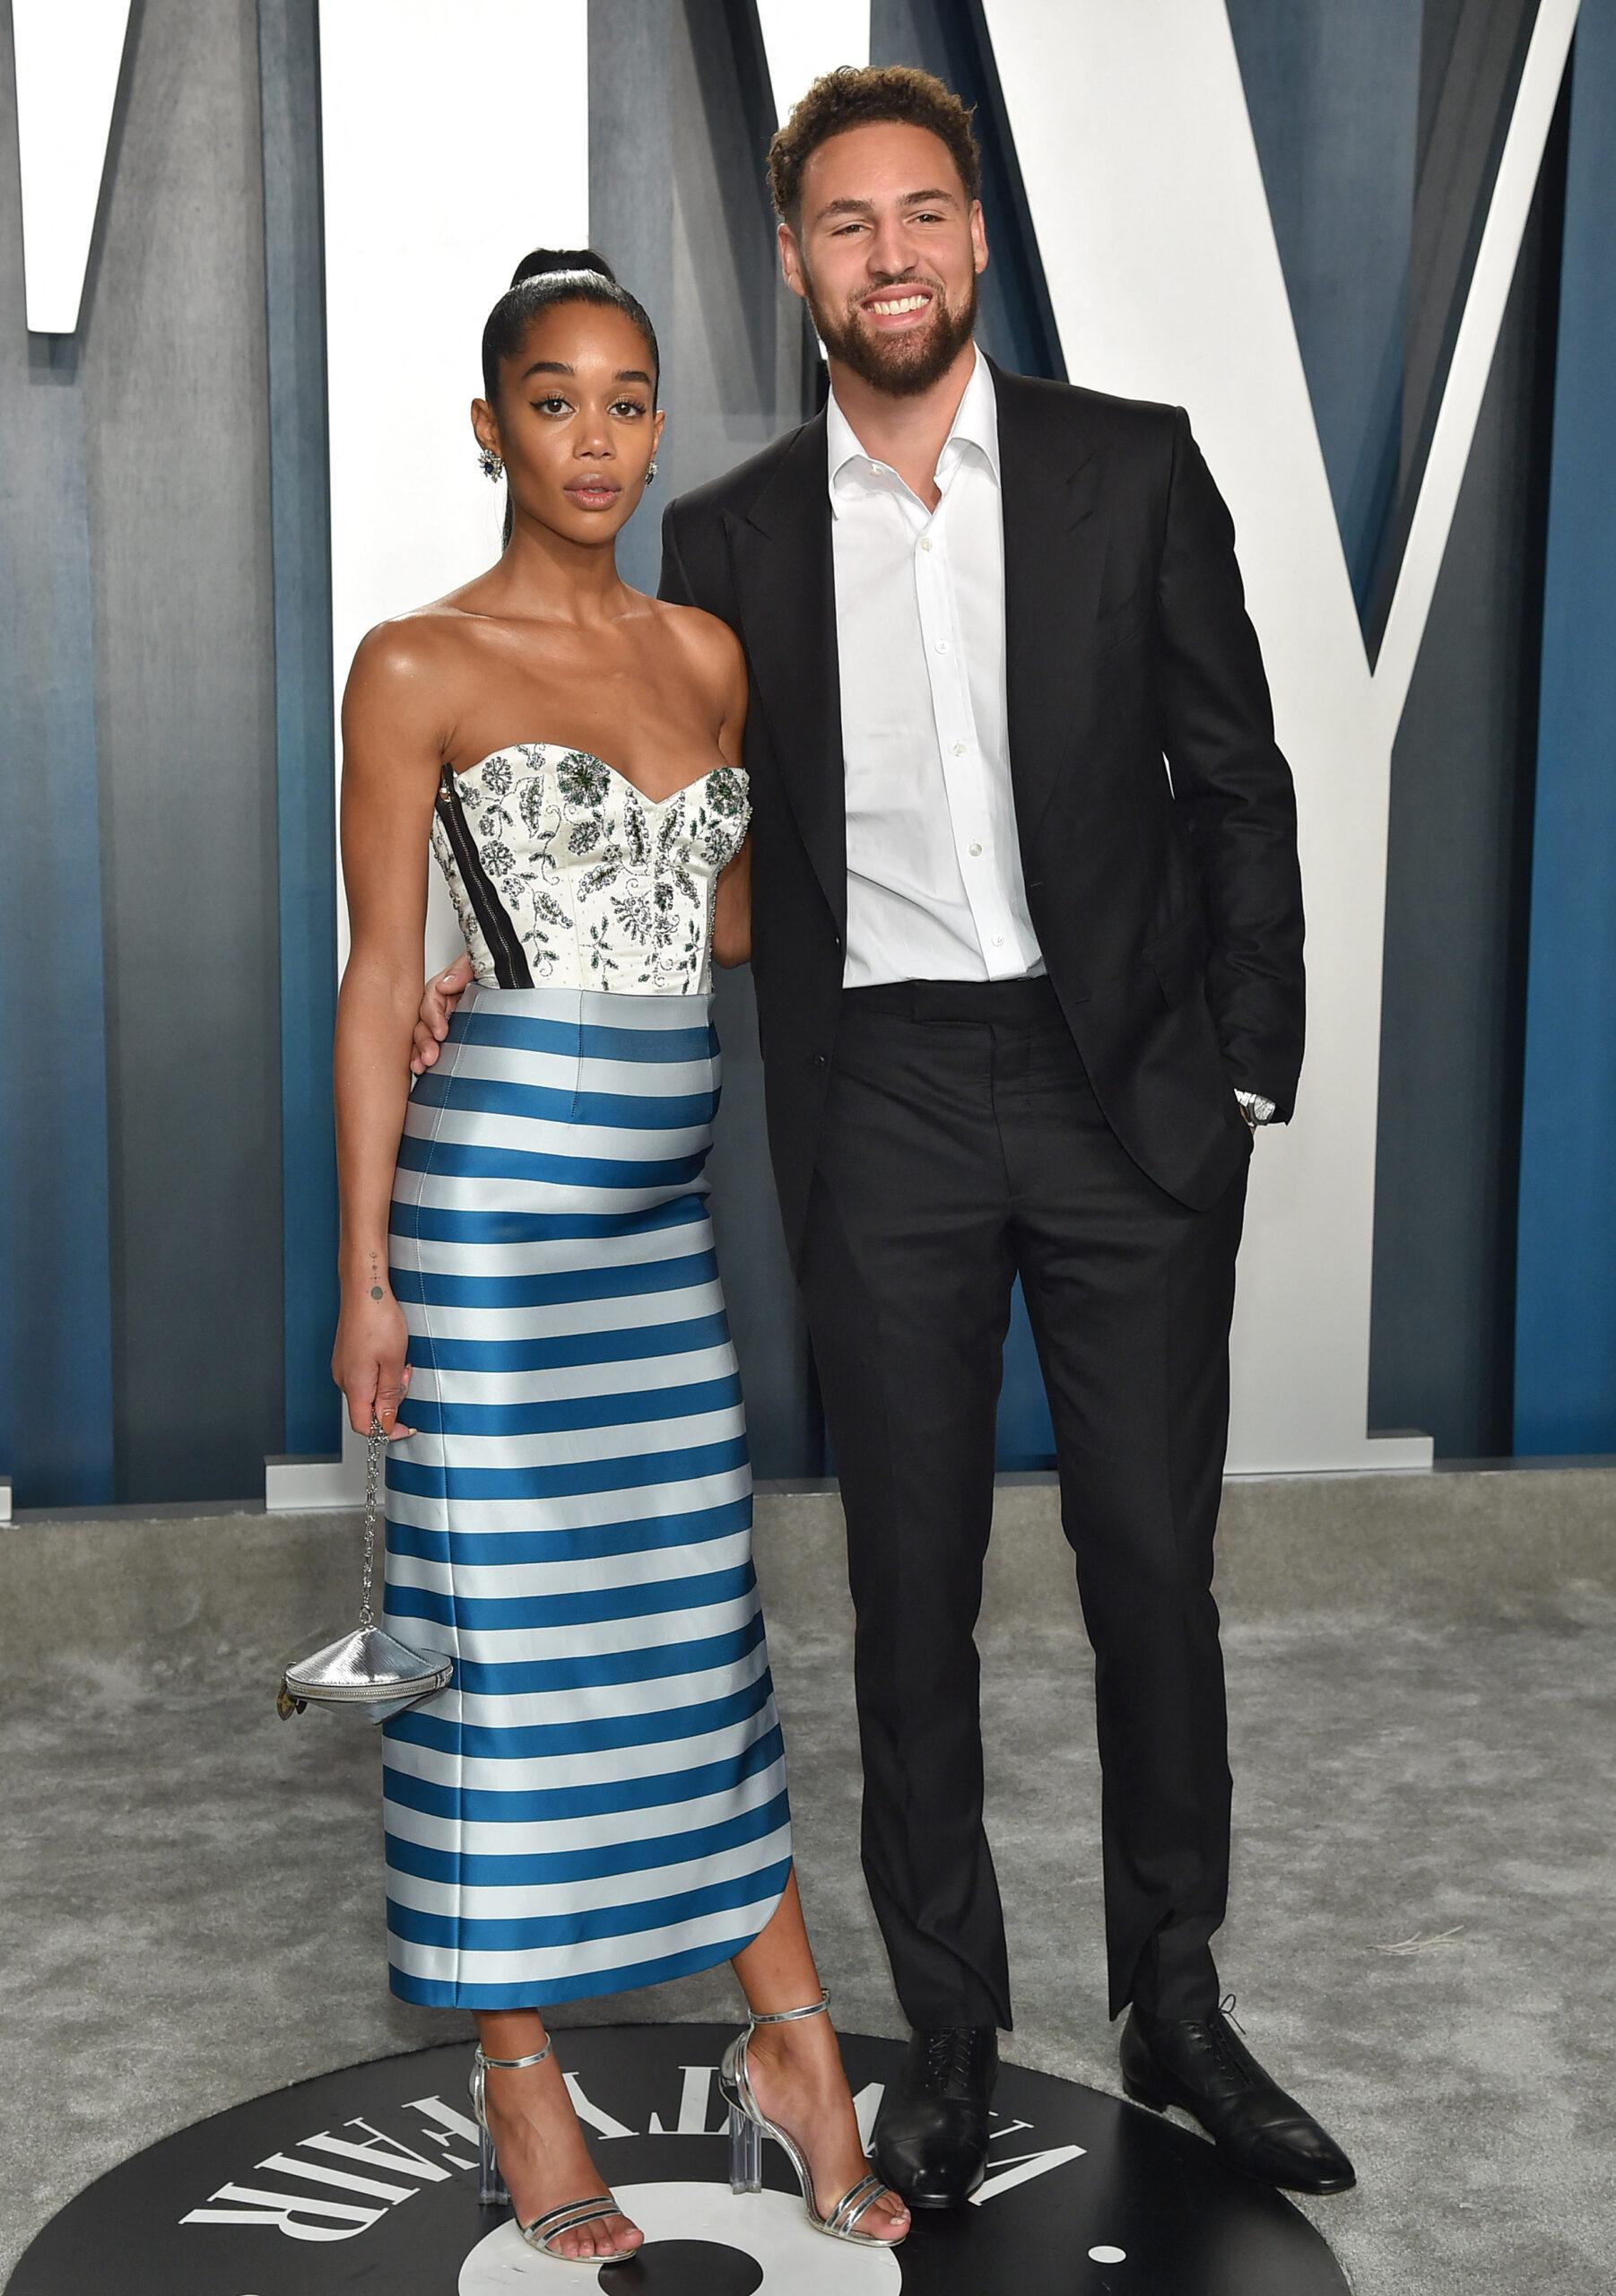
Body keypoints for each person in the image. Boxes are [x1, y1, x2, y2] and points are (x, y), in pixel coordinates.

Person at [417, 68, 1355, 2210]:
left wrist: (1242, 1073)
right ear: (794, 260)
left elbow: (1239, 779)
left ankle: (1176, 1997)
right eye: (846, 225)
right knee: (909, 1594)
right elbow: (675, 825)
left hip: (1122, 1094)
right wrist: (492, 945)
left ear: (976, 238)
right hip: (890, 1104)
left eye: (924, 213)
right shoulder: (728, 530)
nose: (893, 255)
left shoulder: (1130, 469)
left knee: (1149, 1568)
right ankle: (944, 2032)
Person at [331, 248, 908, 2264]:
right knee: (492, 1652)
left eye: (630, 399)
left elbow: (717, 926)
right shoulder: (416, 662)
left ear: (661, 423)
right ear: (489, 426)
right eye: (555, 400)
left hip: (660, 1224)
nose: (596, 437)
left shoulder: (705, 656)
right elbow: (370, 975)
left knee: (692, 1636)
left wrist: (525, 937)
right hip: (484, 1231)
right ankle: (523, 2078)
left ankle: (787, 2047)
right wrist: (366, 1273)